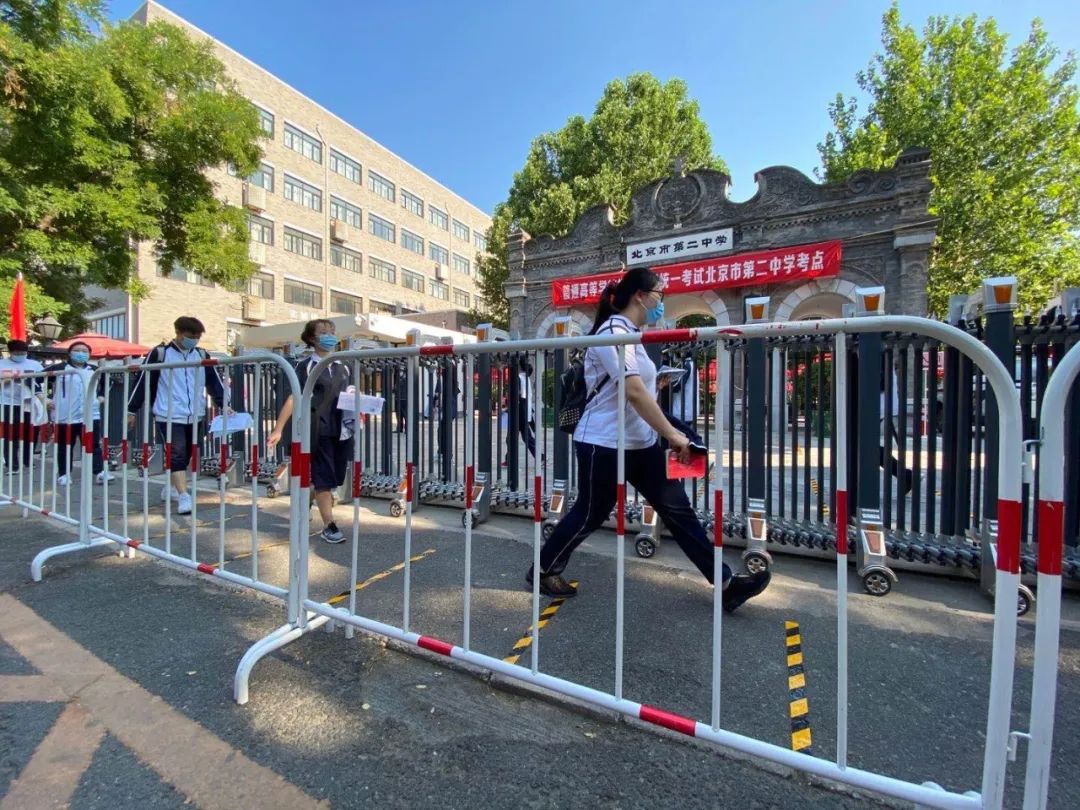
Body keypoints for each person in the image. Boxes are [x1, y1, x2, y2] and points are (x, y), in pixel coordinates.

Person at [531, 267, 770, 611]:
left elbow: (635, 387)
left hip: (640, 443)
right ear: (640, 296)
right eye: (659, 294)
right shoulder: (613, 332)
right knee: (589, 513)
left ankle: (726, 584)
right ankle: (543, 569)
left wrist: (655, 384)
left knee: (678, 510)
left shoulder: (632, 334)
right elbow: (632, 392)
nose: (662, 301)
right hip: (603, 443)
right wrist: (672, 434)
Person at [127, 316, 226, 516]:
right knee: (177, 453)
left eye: (197, 337)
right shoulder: (160, 354)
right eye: (191, 336)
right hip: (168, 414)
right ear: (178, 333)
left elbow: (214, 382)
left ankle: (172, 487)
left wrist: (224, 404)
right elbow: (143, 381)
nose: (194, 340)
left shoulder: (201, 354)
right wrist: (131, 409)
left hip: (195, 414)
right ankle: (184, 495)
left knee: (187, 453)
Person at [268, 319, 352, 544]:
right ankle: (329, 525)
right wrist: (278, 429)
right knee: (324, 478)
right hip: (317, 430)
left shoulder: (344, 365)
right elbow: (293, 398)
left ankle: (305, 500)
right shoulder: (304, 366)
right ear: (312, 338)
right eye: (324, 332)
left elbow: (350, 395)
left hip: (341, 430)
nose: (330, 335)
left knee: (335, 477)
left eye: (332, 331)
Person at [47, 341, 113, 485]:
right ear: (70, 353)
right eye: (77, 350)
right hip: (65, 415)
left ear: (89, 354)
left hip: (90, 414)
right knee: (65, 445)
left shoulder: (95, 370)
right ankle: (64, 474)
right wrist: (44, 399)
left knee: (93, 444)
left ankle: (99, 472)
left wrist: (101, 397)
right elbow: (35, 380)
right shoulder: (59, 368)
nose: (81, 353)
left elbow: (108, 382)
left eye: (85, 351)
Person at [0, 339, 45, 472]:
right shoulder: (2, 364)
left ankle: (28, 460)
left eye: (23, 353)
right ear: (10, 352)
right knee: (10, 434)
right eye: (17, 353)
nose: (20, 355)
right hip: (8, 403)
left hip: (30, 403)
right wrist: (7, 380)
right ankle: (12, 465)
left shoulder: (35, 364)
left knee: (31, 432)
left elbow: (43, 383)